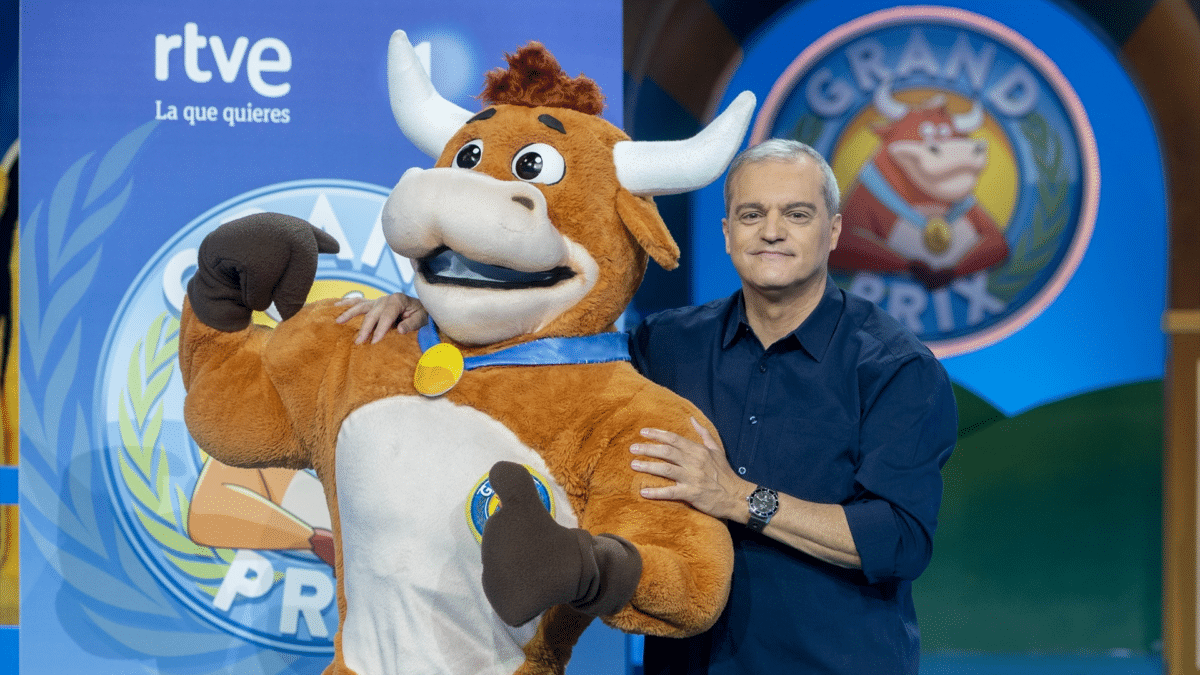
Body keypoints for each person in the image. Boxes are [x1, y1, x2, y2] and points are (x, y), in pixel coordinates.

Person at [336, 139, 957, 674]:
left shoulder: (894, 368)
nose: (772, 231)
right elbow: (542, 362)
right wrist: (429, 313)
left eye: (797, 214)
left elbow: (897, 540)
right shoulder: (665, 343)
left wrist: (737, 497)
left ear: (835, 231)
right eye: (751, 213)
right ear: (726, 232)